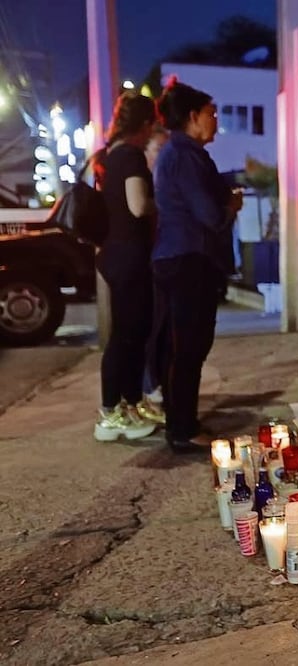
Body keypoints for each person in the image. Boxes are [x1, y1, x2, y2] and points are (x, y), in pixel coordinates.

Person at [153, 79, 242, 452]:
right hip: (188, 257)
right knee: (189, 346)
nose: (216, 120)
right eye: (211, 113)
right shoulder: (185, 154)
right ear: (192, 116)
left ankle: (181, 422)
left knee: (182, 346)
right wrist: (229, 207)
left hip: (177, 256)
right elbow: (206, 213)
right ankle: (183, 429)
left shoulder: (179, 152)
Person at [93, 92, 160, 442]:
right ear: (145, 124)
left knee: (132, 332)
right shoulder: (131, 156)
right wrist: (162, 199)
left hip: (115, 255)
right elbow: (137, 206)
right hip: (129, 255)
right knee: (127, 335)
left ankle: (130, 404)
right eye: (152, 125)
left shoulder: (109, 155)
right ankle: (110, 412)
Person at [136, 126, 170, 426]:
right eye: (159, 149)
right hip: (144, 266)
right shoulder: (144, 184)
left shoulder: (161, 181)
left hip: (160, 263)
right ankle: (149, 390)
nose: (164, 154)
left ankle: (155, 388)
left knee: (161, 328)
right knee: (148, 329)